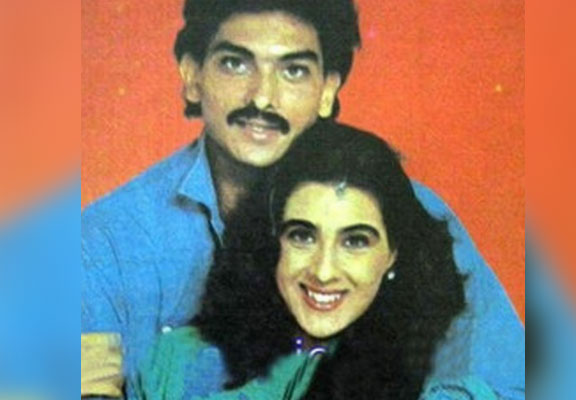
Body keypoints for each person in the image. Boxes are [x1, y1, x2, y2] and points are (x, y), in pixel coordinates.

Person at [82, 0, 524, 399]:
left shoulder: (410, 212)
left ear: (328, 89)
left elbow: (508, 382)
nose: (262, 98)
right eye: (235, 63)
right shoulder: (105, 239)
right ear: (192, 76)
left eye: (293, 70)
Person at [135, 122, 505, 399]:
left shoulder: (446, 377)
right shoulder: (174, 362)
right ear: (272, 240)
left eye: (355, 241)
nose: (323, 271)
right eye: (302, 236)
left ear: (393, 254)